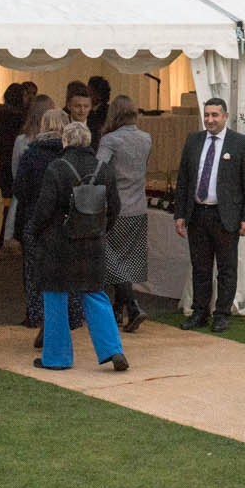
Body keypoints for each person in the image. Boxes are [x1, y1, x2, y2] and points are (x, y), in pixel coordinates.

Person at [25, 121, 128, 373]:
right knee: (95, 294)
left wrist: (32, 231)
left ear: (65, 141)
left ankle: (57, 358)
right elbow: (114, 207)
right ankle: (113, 349)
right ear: (89, 142)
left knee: (56, 299)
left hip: (58, 244)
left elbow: (45, 208)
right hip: (92, 243)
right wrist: (100, 230)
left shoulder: (57, 168)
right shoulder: (104, 169)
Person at [173, 97, 245, 332]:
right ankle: (199, 312)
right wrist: (179, 214)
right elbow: (183, 180)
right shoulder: (194, 140)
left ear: (225, 116)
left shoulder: (241, 143)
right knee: (200, 266)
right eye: (207, 115)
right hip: (197, 214)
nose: (210, 120)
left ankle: (221, 313)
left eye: (215, 115)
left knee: (226, 268)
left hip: (226, 216)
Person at [97, 97, 153, 332]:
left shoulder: (110, 140)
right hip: (138, 206)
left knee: (110, 258)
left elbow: (99, 172)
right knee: (127, 260)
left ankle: (132, 306)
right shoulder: (145, 138)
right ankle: (118, 311)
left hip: (115, 208)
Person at [11, 99, 60, 326]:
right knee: (57, 266)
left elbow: (18, 184)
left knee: (32, 266)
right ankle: (58, 313)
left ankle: (34, 312)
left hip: (32, 214)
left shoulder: (27, 148)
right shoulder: (65, 151)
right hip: (58, 218)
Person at [0, 82, 29, 251]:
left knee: (7, 203)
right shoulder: (22, 120)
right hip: (15, 167)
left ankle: (3, 236)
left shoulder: (1, 118)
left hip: (4, 167)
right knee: (17, 204)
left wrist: (4, 158)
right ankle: (9, 235)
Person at [85, 75, 112, 146]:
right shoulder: (87, 110)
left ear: (98, 94)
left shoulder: (107, 112)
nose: (87, 95)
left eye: (90, 92)